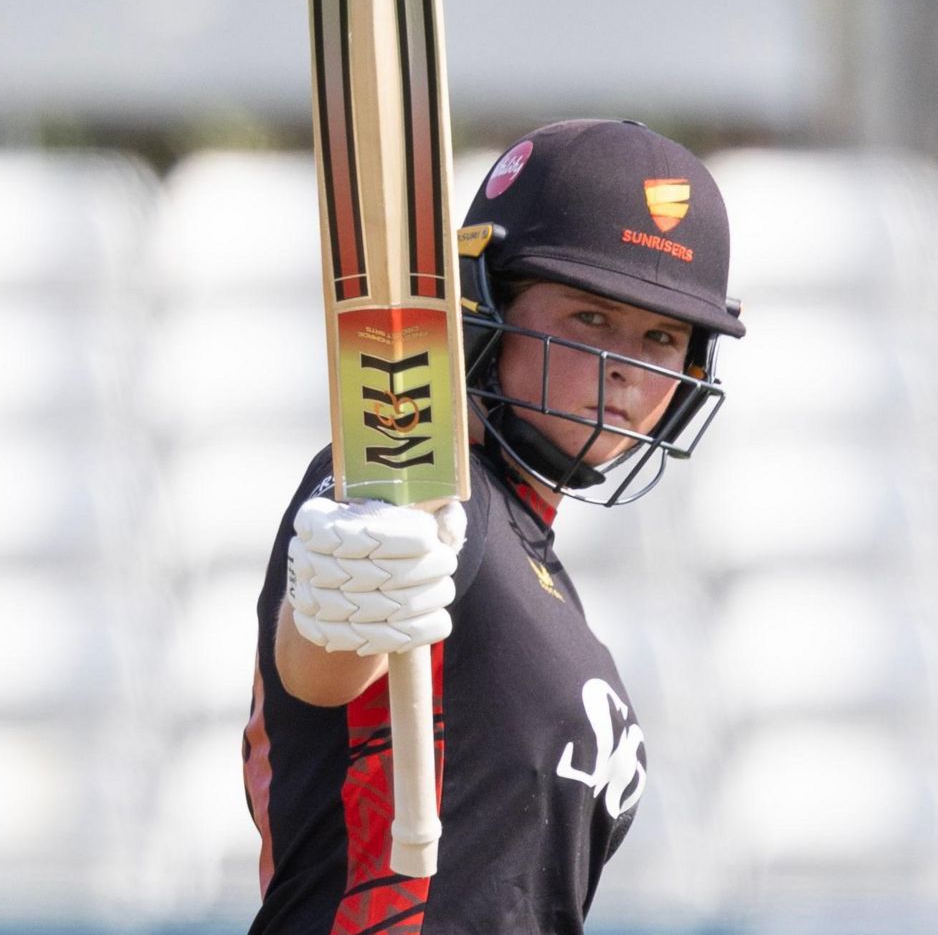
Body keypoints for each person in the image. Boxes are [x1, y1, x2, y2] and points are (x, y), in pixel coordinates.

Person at [243, 119, 746, 934]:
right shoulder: (426, 488)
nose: (627, 365)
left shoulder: (537, 563)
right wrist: (351, 582)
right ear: (487, 305)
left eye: (661, 336)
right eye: (590, 317)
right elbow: (320, 669)